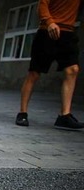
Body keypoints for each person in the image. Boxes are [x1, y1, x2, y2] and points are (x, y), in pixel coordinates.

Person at [16, 0, 84, 130]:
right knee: (34, 73)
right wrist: (49, 22)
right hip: (47, 32)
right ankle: (22, 113)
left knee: (73, 70)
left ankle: (64, 116)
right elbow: (42, 4)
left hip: (68, 33)